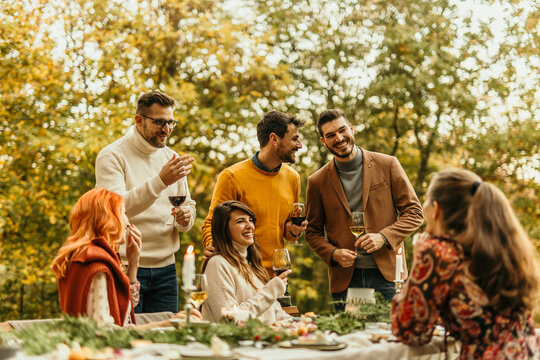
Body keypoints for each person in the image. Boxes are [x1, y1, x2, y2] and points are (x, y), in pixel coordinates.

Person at [392, 169, 540, 358]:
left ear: (436, 209)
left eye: (426, 200)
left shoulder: (439, 252)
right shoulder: (504, 248)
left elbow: (409, 331)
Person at [306, 109, 423, 310]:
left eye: (342, 130)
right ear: (323, 141)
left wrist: (383, 237)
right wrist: (333, 254)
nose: (339, 138)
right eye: (331, 135)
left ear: (351, 129)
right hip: (345, 281)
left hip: (388, 277)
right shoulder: (317, 182)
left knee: (390, 337)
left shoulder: (388, 164)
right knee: (350, 339)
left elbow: (414, 213)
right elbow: (312, 233)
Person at [95, 90, 196, 313]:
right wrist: (160, 181)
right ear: (139, 120)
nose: (167, 129)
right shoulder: (112, 156)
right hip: (125, 266)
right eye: (160, 122)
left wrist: (185, 218)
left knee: (164, 339)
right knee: (127, 339)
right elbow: (116, 208)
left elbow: (186, 205)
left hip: (167, 269)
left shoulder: (172, 159)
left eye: (171, 122)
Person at [51, 188, 201, 328]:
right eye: (123, 213)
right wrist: (167, 324)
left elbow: (124, 306)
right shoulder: (96, 265)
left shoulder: (91, 255)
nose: (127, 222)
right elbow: (107, 333)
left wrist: (133, 261)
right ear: (108, 219)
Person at [201, 111, 307, 275]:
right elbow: (211, 223)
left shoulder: (293, 178)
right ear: (274, 139)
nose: (299, 145)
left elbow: (287, 232)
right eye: (294, 138)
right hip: (241, 274)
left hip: (277, 276)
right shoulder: (232, 177)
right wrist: (215, 249)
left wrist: (294, 230)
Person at [202, 201, 291, 323]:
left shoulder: (252, 265)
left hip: (266, 338)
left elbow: (273, 310)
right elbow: (229, 320)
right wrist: (271, 291)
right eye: (240, 221)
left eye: (250, 220)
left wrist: (300, 324)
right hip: (234, 341)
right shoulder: (217, 264)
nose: (250, 226)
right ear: (224, 228)